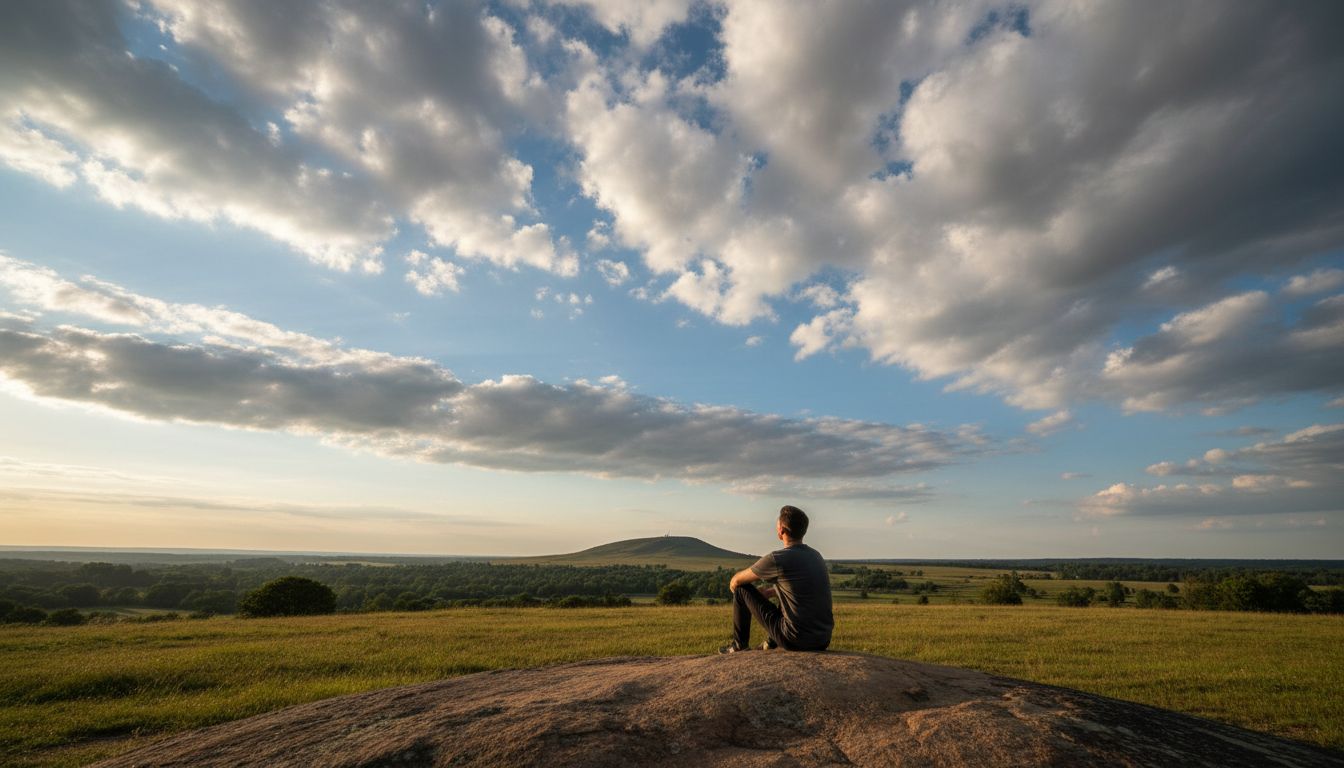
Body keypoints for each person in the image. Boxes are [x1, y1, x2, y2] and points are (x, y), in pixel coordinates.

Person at [719, 505, 833, 653]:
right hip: (822, 640)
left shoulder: (777, 559)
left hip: (794, 640)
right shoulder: (816, 555)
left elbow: (736, 582)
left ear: (781, 531)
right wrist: (771, 592)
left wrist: (749, 598)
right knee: (782, 589)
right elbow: (801, 587)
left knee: (742, 590)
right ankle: (771, 643)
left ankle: (738, 646)